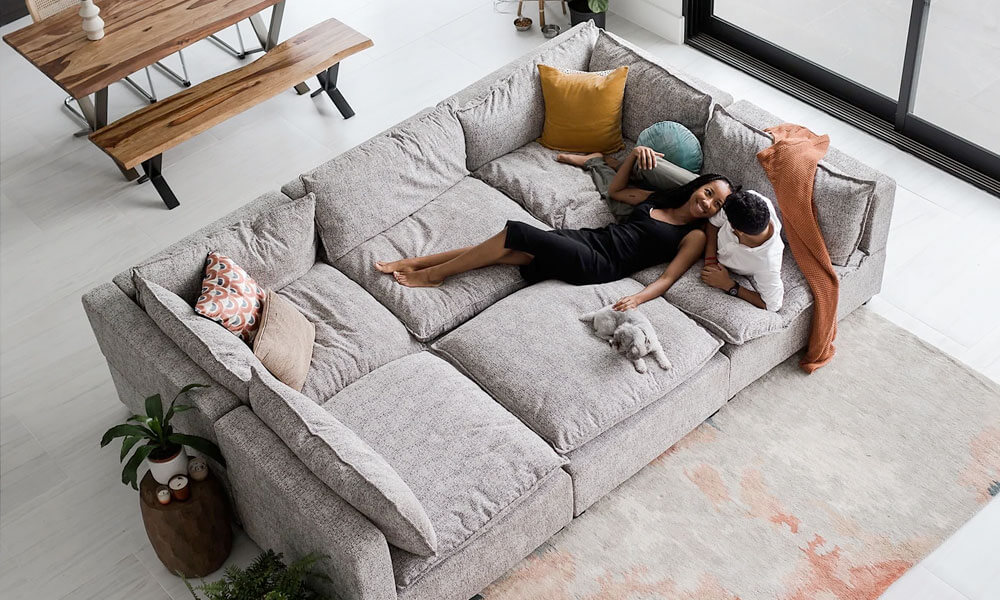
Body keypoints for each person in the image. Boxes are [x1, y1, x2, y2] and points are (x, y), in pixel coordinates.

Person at [374, 146, 734, 312]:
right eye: (708, 193)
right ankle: (419, 262)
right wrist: (634, 153)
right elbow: (616, 191)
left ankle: (433, 275)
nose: (708, 204)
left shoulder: (694, 235)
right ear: (698, 186)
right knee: (508, 251)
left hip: (601, 264)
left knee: (517, 233)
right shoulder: (657, 199)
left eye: (717, 204)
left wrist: (638, 298)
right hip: (589, 239)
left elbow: (668, 278)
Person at [700, 189, 785, 311]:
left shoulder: (767, 264)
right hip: (704, 237)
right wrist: (710, 260)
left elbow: (772, 305)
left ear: (737, 230)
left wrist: (728, 285)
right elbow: (713, 223)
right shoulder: (748, 201)